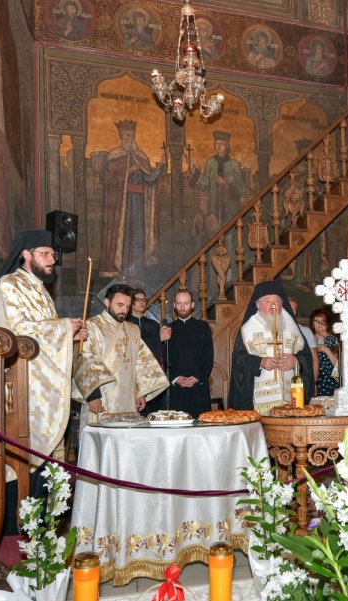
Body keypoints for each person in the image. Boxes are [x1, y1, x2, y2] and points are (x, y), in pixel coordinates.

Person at [0, 230, 86, 493]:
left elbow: (46, 333)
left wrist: (71, 336)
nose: (51, 259)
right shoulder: (9, 285)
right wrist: (65, 328)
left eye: (52, 254)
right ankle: (16, 527)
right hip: (22, 386)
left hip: (42, 387)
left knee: (45, 470)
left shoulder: (40, 290)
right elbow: (18, 331)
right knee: (23, 463)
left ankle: (43, 527)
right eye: (45, 254)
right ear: (26, 255)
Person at [74, 283, 168, 421]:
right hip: (102, 399)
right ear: (107, 302)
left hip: (129, 399)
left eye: (128, 307)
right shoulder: (91, 326)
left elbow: (140, 362)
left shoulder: (133, 329)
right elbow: (84, 361)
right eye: (120, 305)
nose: (124, 310)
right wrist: (92, 396)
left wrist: (140, 392)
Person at [229, 281, 314, 411]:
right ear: (257, 305)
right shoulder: (248, 329)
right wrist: (259, 362)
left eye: (277, 301)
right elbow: (238, 360)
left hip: (291, 400)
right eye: (267, 301)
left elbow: (307, 356)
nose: (273, 305)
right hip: (259, 402)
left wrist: (295, 360)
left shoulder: (292, 327)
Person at [98, 120, 164, 278]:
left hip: (139, 204)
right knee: (123, 237)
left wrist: (161, 166)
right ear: (121, 135)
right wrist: (128, 171)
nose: (130, 138)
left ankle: (137, 271)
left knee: (138, 237)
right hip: (122, 204)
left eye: (132, 135)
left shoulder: (140, 156)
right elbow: (109, 180)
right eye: (127, 135)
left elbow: (149, 179)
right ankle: (121, 270)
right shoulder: (114, 155)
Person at [159, 289, 213, 417]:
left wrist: (197, 377)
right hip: (175, 391)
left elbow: (208, 358)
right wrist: (175, 378)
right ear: (174, 305)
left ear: (192, 305)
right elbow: (162, 360)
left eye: (186, 303)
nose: (182, 307)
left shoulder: (203, 327)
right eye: (179, 303)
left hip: (198, 389)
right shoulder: (167, 329)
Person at [191, 131, 247, 224]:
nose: (219, 146)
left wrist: (225, 183)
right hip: (214, 206)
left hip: (229, 207)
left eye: (222, 144)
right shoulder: (210, 163)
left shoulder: (234, 165)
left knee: (229, 234)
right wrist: (193, 170)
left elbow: (241, 188)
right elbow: (206, 183)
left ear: (227, 146)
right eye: (217, 143)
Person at [309, 308, 340, 397]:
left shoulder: (334, 340)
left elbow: (338, 364)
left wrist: (327, 350)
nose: (320, 324)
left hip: (331, 379)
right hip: (315, 380)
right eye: (317, 321)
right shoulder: (309, 339)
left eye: (323, 321)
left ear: (327, 324)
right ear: (312, 323)